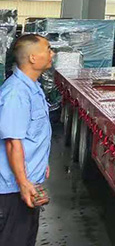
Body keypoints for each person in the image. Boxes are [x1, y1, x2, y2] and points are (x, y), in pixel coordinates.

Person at [0, 34, 53, 245]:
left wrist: (41, 161)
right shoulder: (16, 93)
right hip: (12, 190)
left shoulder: (33, 87)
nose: (52, 54)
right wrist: (22, 183)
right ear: (32, 57)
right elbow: (12, 143)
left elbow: (32, 134)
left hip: (27, 184)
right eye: (48, 49)